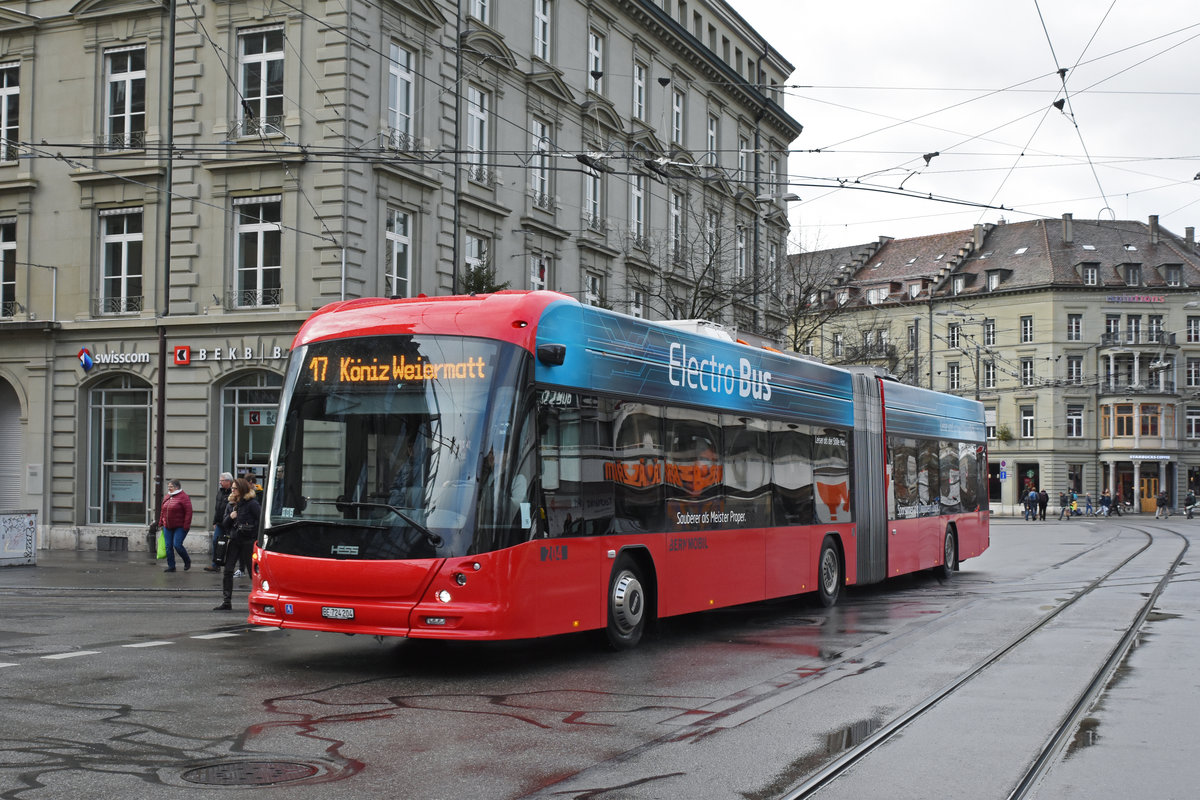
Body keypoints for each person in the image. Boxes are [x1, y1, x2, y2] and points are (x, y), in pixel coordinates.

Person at [214, 477, 261, 611]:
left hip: (248, 542)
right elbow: (224, 523)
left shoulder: (252, 503)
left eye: (235, 488)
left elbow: (260, 520)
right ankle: (226, 602)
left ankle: (259, 600)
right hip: (234, 540)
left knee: (253, 573)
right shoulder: (231, 504)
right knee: (228, 570)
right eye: (232, 488)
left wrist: (252, 532)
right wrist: (231, 517)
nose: (232, 490)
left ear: (241, 489)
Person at [158, 478, 193, 572]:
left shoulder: (184, 497)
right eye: (168, 486)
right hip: (167, 526)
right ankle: (171, 566)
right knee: (168, 546)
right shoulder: (167, 496)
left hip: (180, 526)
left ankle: (187, 561)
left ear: (177, 487)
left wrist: (186, 525)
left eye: (171, 487)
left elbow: (189, 512)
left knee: (177, 545)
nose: (169, 488)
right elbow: (163, 511)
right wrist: (161, 522)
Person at [205, 472, 234, 572]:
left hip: (229, 523)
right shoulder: (220, 492)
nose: (220, 482)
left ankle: (229, 565)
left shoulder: (233, 493)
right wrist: (215, 521)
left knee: (230, 545)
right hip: (219, 523)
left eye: (222, 481)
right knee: (215, 542)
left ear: (228, 481)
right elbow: (217, 508)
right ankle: (215, 565)